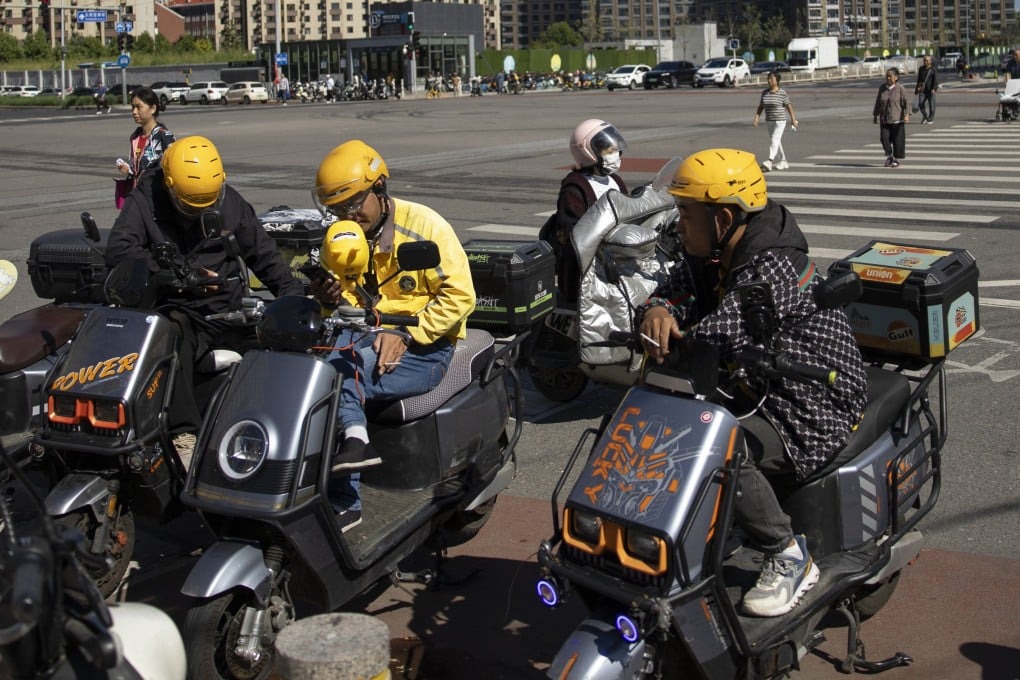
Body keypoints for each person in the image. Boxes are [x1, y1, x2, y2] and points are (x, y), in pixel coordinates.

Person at [639, 148, 867, 617]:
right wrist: (657, 310)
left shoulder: (772, 264)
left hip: (810, 398)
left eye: (684, 212)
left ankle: (787, 553)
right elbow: (673, 288)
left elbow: (719, 333)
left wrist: (670, 334)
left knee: (714, 443)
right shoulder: (713, 250)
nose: (678, 223)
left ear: (722, 217)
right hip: (757, 381)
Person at [310, 140, 476, 533]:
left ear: (379, 188)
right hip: (363, 338)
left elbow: (460, 295)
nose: (346, 216)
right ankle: (348, 443)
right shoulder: (343, 236)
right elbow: (348, 300)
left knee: (334, 377)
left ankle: (346, 500)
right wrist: (331, 297)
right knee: (314, 369)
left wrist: (406, 331)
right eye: (336, 210)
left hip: (427, 349)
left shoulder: (425, 227)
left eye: (352, 204)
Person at [105, 135, 304, 454]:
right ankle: (184, 434)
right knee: (169, 332)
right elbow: (119, 249)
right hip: (182, 309)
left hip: (230, 308)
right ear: (170, 188)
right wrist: (177, 276)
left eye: (208, 205)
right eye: (188, 207)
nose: (199, 213)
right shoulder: (146, 199)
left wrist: (292, 299)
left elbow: (264, 254)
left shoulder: (227, 200)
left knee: (286, 346)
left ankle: (282, 436)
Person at [542, 119, 628, 303]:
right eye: (609, 150)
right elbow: (576, 234)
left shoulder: (615, 181)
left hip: (615, 262)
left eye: (615, 149)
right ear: (588, 152)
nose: (615, 154)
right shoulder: (575, 187)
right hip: (584, 271)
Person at [116, 86, 175, 189]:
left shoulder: (164, 136)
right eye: (133, 107)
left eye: (139, 107)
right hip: (138, 195)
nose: (134, 112)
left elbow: (174, 168)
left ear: (153, 108)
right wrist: (129, 169)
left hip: (157, 198)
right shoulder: (135, 137)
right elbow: (140, 168)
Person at [753, 71, 799, 172]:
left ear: (777, 81)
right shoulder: (765, 92)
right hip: (769, 120)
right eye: (768, 78)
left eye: (771, 79)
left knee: (774, 139)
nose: (769, 80)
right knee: (776, 141)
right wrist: (756, 117)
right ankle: (783, 161)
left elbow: (789, 107)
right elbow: (761, 106)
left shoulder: (782, 93)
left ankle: (770, 161)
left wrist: (793, 120)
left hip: (780, 120)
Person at [873, 68, 910, 167]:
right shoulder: (882, 88)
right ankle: (889, 155)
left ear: (896, 77)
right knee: (884, 138)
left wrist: (906, 115)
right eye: (887, 76)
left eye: (890, 76)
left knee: (897, 140)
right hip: (884, 119)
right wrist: (875, 115)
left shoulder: (900, 88)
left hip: (897, 118)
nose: (888, 78)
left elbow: (906, 102)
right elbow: (878, 101)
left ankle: (896, 159)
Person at [914, 55, 939, 124]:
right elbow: (919, 80)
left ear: (930, 61)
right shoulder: (921, 69)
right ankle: (925, 116)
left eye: (927, 60)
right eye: (924, 60)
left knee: (932, 106)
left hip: (931, 91)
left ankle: (930, 119)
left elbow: (935, 80)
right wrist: (917, 89)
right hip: (922, 90)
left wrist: (934, 88)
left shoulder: (933, 69)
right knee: (921, 104)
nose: (925, 62)